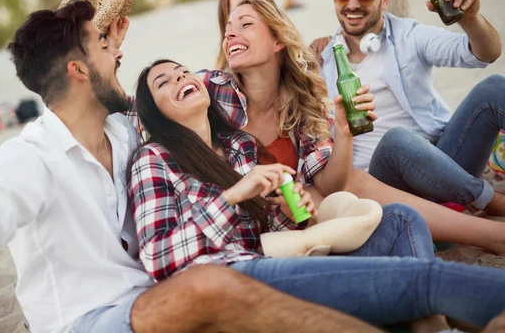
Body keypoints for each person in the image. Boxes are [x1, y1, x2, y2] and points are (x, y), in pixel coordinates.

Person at [0, 0, 383, 333]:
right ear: (77, 70)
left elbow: (194, 105)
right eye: (104, 47)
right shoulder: (29, 156)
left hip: (156, 298)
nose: (119, 52)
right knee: (217, 286)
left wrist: (305, 82)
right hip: (92, 319)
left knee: (383, 232)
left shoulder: (125, 130)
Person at [129, 58, 505, 330]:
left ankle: (428, 323)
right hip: (238, 278)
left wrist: (296, 215)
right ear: (154, 113)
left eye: (181, 70)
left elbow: (268, 228)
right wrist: (232, 197)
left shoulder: (238, 146)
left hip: (272, 257)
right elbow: (158, 257)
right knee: (426, 279)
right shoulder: (154, 159)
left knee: (400, 220)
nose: (178, 76)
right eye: (163, 82)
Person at [207, 0, 505, 254]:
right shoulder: (211, 92)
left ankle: (485, 230)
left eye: (246, 24)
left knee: (357, 176)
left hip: (344, 204)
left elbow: (331, 183)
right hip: (270, 229)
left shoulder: (305, 102)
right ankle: (486, 224)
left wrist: (344, 132)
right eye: (227, 27)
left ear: (277, 40)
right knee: (347, 183)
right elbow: (168, 94)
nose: (231, 34)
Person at [312, 0, 505, 217]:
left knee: (494, 88)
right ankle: (487, 199)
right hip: (382, 185)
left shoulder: (409, 35)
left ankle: (466, 195)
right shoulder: (320, 60)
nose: (352, 4)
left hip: (444, 163)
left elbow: (486, 53)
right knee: (397, 141)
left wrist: (470, 19)